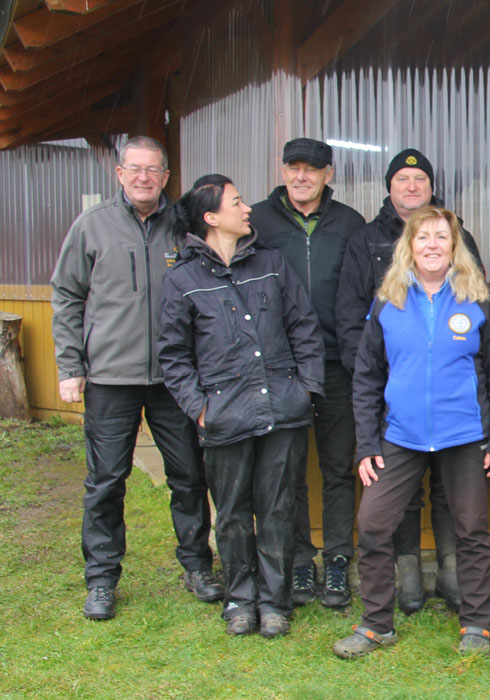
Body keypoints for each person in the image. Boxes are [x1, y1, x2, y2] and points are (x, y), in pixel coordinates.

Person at [332, 206, 490, 658]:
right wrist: (367, 444)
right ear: (408, 246)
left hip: (464, 435)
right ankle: (377, 624)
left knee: (471, 529)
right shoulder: (388, 299)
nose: (432, 245)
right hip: (400, 436)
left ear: (454, 246)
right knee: (373, 525)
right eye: (423, 237)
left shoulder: (477, 297)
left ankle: (476, 622)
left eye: (441, 237)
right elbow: (367, 376)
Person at [50, 136, 221, 621]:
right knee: (105, 481)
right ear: (119, 174)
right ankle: (102, 578)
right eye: (135, 169)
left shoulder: (184, 226)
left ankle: (197, 566)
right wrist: (70, 366)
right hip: (110, 377)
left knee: (189, 475)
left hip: (174, 380)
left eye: (154, 170)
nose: (144, 177)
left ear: (166, 177)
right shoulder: (92, 226)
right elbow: (65, 296)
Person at [158, 175, 326, 637]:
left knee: (277, 508)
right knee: (231, 513)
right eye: (236, 202)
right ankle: (239, 599)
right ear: (212, 217)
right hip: (224, 414)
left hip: (283, 409)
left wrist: (305, 389)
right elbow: (173, 356)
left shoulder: (271, 263)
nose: (246, 208)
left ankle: (274, 601)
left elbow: (304, 327)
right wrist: (199, 407)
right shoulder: (182, 279)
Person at [335, 148, 482, 613]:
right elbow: (349, 318)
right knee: (397, 497)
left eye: (420, 179)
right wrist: (375, 385)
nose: (412, 186)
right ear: (389, 187)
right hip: (391, 394)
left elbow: (481, 326)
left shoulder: (462, 241)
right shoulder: (363, 241)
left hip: (453, 406)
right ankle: (408, 569)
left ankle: (451, 570)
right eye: (403, 179)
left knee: (449, 492)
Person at [250, 137, 366, 608]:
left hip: (337, 363)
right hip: (282, 366)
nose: (302, 176)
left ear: (328, 175)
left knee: (339, 467)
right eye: (294, 167)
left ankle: (338, 560)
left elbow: (361, 291)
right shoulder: (257, 220)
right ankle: (299, 559)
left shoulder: (349, 223)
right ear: (283, 171)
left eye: (312, 169)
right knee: (289, 469)